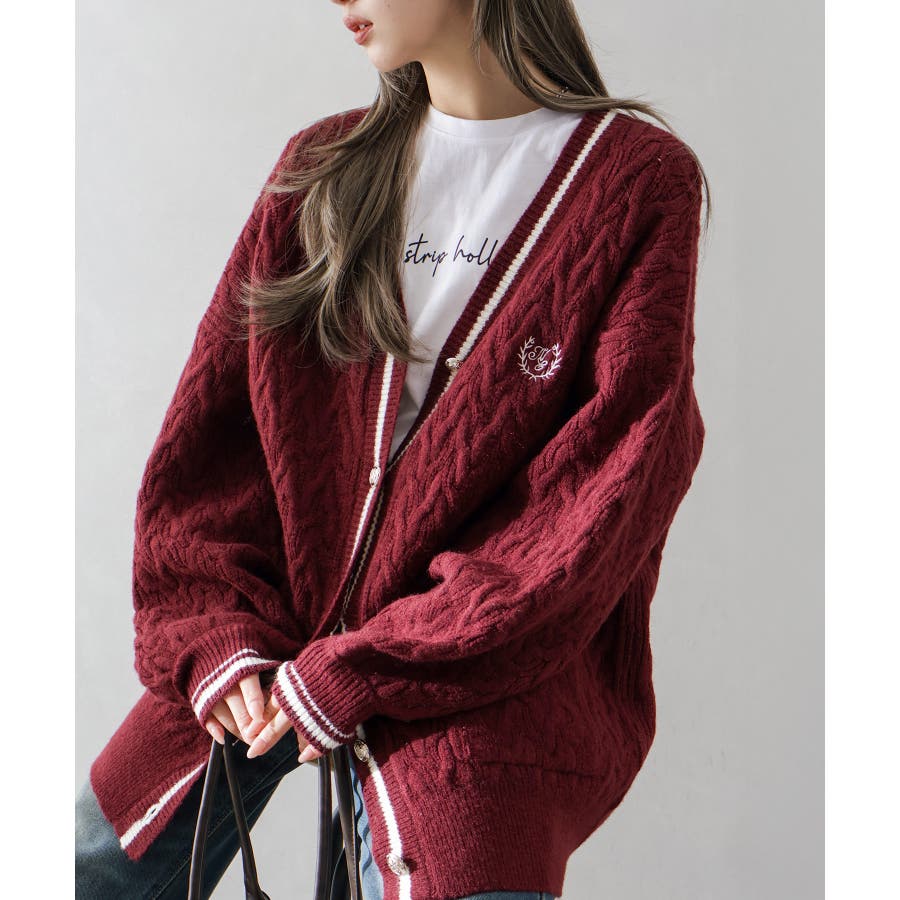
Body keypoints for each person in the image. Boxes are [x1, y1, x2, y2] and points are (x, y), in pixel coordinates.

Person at [75, 1, 712, 898]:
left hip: (477, 675)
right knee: (84, 867)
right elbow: (217, 437)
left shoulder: (634, 181)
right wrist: (214, 635)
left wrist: (382, 660)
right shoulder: (324, 169)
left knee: (454, 862)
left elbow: (606, 484)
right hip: (270, 635)